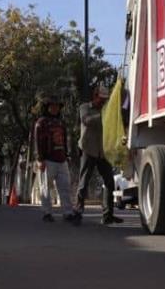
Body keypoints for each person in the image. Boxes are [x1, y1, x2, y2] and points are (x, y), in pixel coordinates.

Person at [75, 84, 123, 225]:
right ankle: (78, 212)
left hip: (103, 151)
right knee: (83, 182)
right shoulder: (85, 108)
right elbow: (86, 121)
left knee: (109, 182)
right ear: (94, 96)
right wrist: (104, 114)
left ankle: (108, 215)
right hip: (88, 149)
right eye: (101, 100)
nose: (103, 102)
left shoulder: (107, 110)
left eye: (105, 100)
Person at [33, 92, 76, 223]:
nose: (55, 108)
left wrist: (67, 155)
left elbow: (64, 141)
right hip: (47, 160)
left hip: (62, 159)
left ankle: (68, 212)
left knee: (64, 187)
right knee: (45, 187)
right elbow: (37, 142)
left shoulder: (61, 123)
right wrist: (40, 159)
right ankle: (47, 213)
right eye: (52, 106)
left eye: (57, 106)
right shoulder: (41, 123)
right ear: (47, 107)